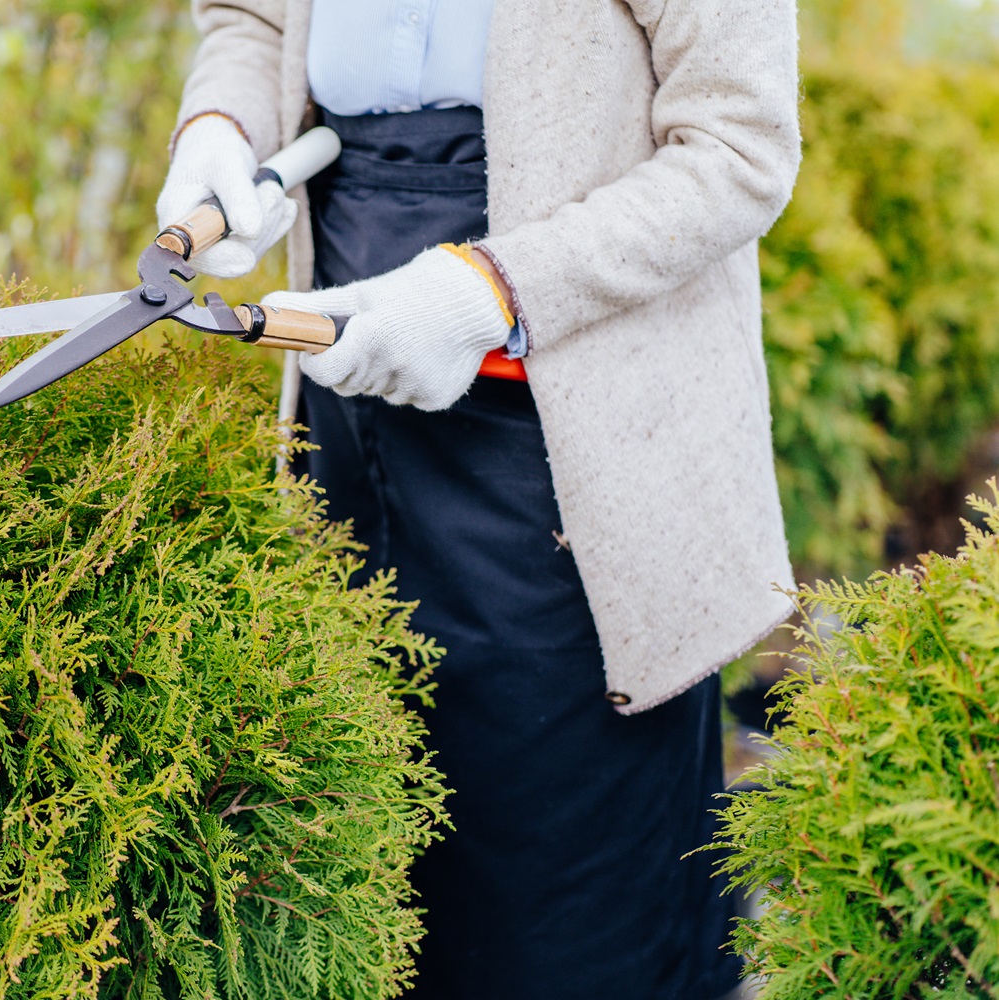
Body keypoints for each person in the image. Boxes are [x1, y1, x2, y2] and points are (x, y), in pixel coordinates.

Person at [155, 2, 801, 998]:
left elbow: (739, 144)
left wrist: (488, 291)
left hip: (579, 420)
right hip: (351, 383)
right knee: (373, 875)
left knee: (571, 912)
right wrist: (223, 131)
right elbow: (252, 18)